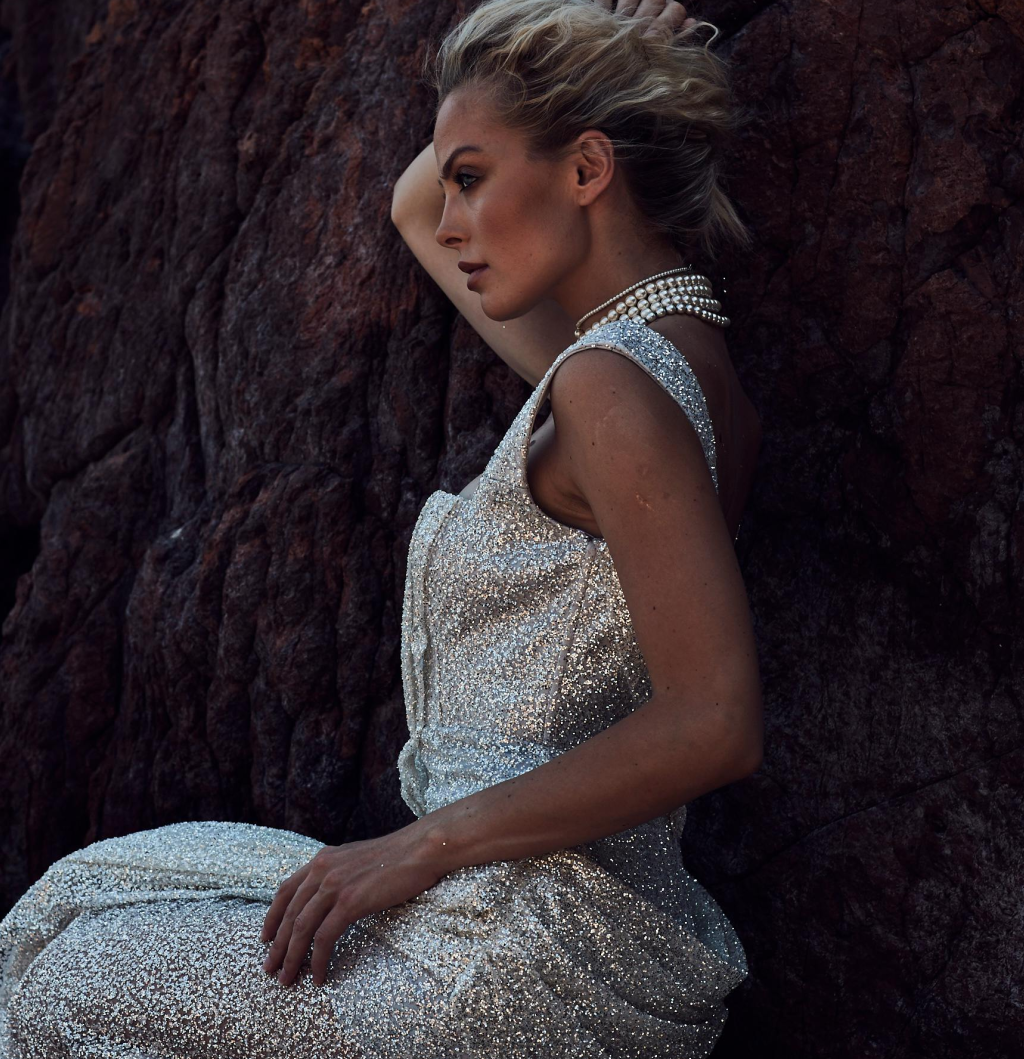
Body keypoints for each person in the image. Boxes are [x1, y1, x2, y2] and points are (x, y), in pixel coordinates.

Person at [0, 1, 763, 1056]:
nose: (452, 220)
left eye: (474, 178)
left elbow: (713, 720)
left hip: (514, 945)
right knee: (82, 902)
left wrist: (412, 849)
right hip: (512, 905)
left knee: (61, 983)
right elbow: (411, 206)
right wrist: (585, 38)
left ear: (586, 172)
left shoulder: (610, 387)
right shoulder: (663, 359)